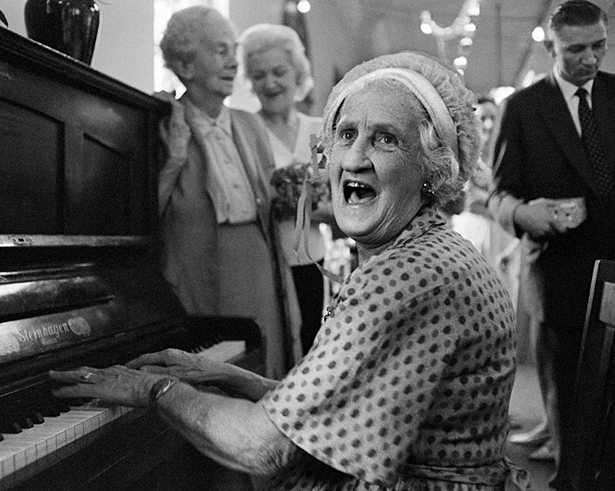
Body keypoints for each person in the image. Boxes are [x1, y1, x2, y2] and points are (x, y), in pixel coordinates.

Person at [49, 51, 531, 490]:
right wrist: (228, 376)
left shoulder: (406, 277)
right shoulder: (427, 249)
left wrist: (155, 389)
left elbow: (264, 446)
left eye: (386, 139)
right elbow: (338, 409)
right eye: (346, 135)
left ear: (431, 168)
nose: (354, 159)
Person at [489, 1, 615, 488]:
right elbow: (500, 194)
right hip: (560, 277)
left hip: (614, 269)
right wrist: (523, 214)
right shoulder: (522, 108)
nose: (590, 58)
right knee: (570, 418)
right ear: (551, 48)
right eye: (576, 49)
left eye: (599, 46)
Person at [155, 6, 301, 379]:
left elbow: (269, 202)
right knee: (218, 375)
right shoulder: (163, 121)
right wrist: (173, 160)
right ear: (185, 65)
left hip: (261, 266)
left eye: (233, 51)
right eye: (220, 51)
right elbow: (144, 216)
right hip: (201, 269)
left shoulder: (250, 125)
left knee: (268, 368)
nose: (233, 62)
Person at [238, 23, 330, 355]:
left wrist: (303, 204)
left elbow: (332, 202)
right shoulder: (246, 131)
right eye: (259, 75)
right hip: (266, 266)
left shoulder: (318, 132)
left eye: (279, 72)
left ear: (297, 74)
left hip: (311, 261)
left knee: (310, 345)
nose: (270, 83)